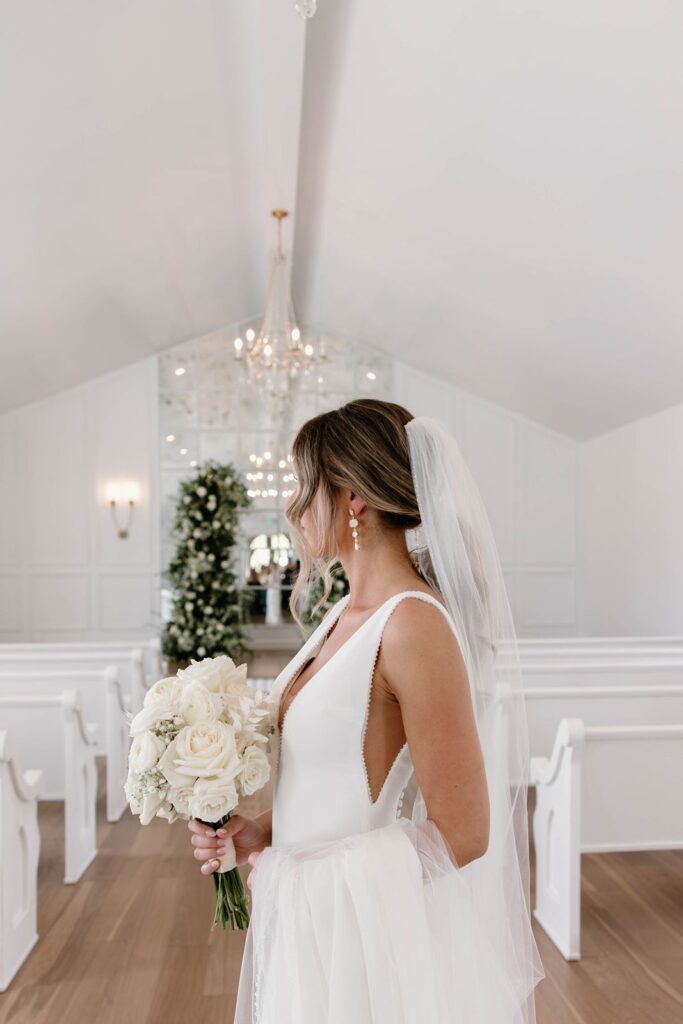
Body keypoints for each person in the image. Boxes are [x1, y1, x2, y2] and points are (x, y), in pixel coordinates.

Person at [188, 399, 545, 1022]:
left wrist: (301, 879)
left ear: (353, 498)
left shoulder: (411, 625)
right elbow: (338, 777)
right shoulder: (342, 614)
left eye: (306, 486)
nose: (294, 507)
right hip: (312, 931)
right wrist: (263, 832)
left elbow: (466, 834)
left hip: (361, 944)